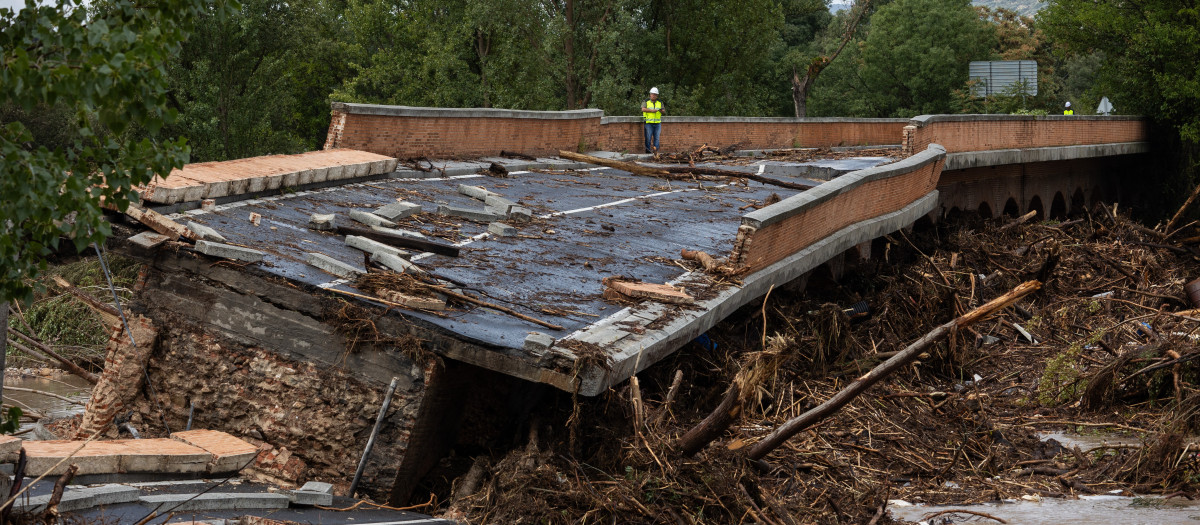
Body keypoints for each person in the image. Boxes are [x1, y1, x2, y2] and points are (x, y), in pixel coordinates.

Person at [641, 87, 664, 153]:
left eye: (655, 94)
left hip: (657, 123)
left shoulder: (660, 102)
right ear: (650, 94)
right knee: (648, 138)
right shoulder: (646, 101)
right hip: (648, 123)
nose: (654, 95)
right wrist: (651, 111)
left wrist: (660, 110)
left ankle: (655, 152)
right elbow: (643, 109)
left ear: (657, 95)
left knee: (657, 138)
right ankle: (648, 151)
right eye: (653, 94)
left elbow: (663, 111)